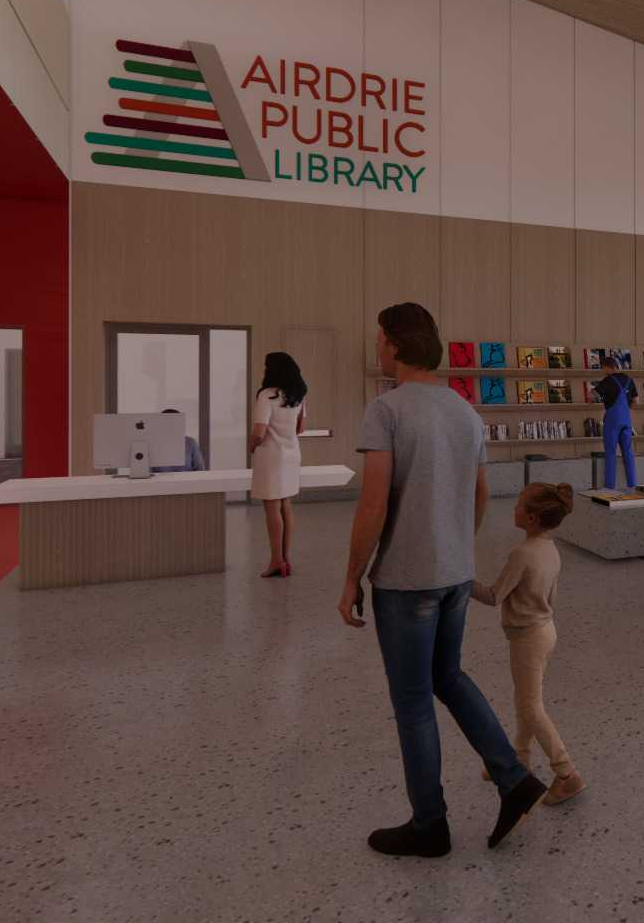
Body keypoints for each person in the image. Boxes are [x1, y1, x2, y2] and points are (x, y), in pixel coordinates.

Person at [341, 302, 545, 858]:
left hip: (406, 582)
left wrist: (351, 577)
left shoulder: (386, 411)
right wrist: (455, 542)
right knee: (449, 677)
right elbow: (480, 495)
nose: (377, 347)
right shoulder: (464, 411)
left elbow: (374, 504)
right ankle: (514, 777)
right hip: (455, 574)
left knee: (412, 700)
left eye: (380, 339)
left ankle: (429, 824)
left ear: (398, 346)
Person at [471, 483, 586, 806]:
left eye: (519, 505)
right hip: (546, 631)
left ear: (533, 518)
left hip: (527, 638)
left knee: (530, 707)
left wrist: (460, 581)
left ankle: (567, 773)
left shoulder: (522, 554)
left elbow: (494, 596)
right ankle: (518, 761)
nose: (514, 509)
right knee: (526, 700)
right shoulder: (550, 549)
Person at [251, 353, 306, 578]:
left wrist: (252, 446)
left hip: (271, 456)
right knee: (286, 505)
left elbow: (259, 432)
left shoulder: (267, 395)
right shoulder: (298, 395)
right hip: (292, 454)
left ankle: (275, 560)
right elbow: (300, 428)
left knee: (272, 508)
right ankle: (285, 559)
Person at [594, 368, 637, 489]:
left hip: (612, 421)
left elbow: (593, 395)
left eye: (603, 368)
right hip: (626, 421)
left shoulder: (608, 380)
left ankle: (609, 486)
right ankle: (632, 485)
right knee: (628, 452)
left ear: (607, 367)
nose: (603, 371)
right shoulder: (629, 380)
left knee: (611, 452)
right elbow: (636, 401)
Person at [151, 408, 205, 473]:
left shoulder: (190, 442)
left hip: (187, 482)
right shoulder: (152, 444)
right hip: (161, 482)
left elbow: (200, 470)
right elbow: (147, 472)